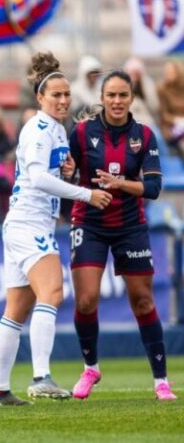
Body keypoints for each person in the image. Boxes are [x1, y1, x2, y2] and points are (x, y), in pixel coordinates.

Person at [0, 52, 112, 406]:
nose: (62, 100)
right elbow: (39, 178)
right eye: (55, 95)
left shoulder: (56, 130)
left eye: (66, 94)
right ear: (40, 98)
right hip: (30, 222)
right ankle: (41, 376)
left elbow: (46, 174)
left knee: (16, 309)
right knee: (53, 293)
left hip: (22, 222)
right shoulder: (39, 128)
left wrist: (70, 172)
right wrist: (86, 194)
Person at [68, 71, 176, 401]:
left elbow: (155, 188)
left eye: (123, 95)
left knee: (142, 301)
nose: (117, 101)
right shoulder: (83, 132)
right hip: (89, 223)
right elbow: (68, 174)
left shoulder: (144, 135)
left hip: (130, 225)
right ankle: (91, 368)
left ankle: (161, 381)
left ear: (132, 99)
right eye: (111, 95)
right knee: (86, 301)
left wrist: (121, 185)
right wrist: (66, 173)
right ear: (102, 98)